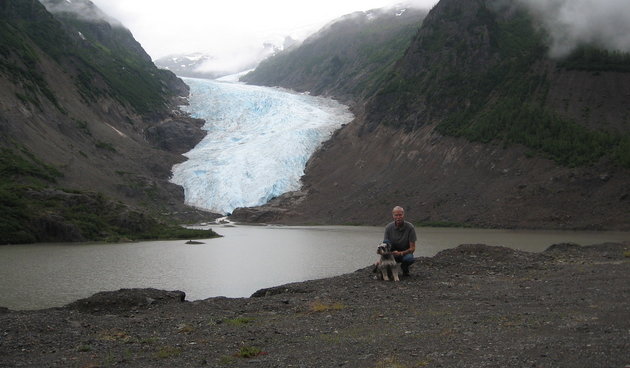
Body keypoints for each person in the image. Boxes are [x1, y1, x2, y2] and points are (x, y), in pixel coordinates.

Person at [383, 206, 416, 276]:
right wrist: (382, 258)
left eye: (400, 215)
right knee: (386, 242)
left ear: (403, 215)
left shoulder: (410, 227)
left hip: (405, 254)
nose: (398, 217)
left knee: (409, 259)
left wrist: (401, 253)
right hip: (392, 253)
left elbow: (412, 248)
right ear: (393, 215)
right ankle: (389, 268)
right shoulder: (388, 227)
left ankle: (404, 268)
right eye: (396, 215)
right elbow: (384, 246)